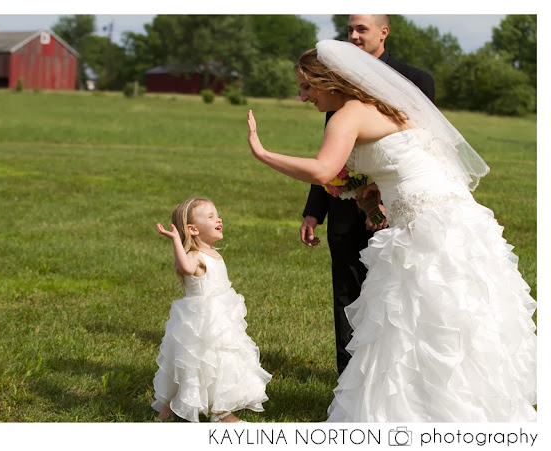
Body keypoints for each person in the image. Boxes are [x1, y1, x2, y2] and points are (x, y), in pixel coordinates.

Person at [246, 40, 536, 421]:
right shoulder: (382, 103)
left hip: (426, 222)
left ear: (330, 81)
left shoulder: (348, 115)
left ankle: (430, 413)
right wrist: (374, 193)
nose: (303, 97)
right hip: (442, 212)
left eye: (307, 87)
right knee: (440, 315)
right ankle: (439, 410)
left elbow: (322, 170)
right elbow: (402, 158)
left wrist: (261, 152)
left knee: (423, 315)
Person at [300, 15, 435, 375]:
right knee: (347, 290)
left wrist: (389, 197)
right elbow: (331, 154)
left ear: (383, 32)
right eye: (350, 30)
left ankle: (397, 372)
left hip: (398, 205)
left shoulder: (416, 80)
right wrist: (315, 209)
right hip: (345, 204)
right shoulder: (333, 80)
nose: (355, 36)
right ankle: (350, 378)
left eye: (362, 29)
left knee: (395, 292)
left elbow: (422, 145)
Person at [152, 196, 271, 423]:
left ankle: (205, 409)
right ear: (193, 229)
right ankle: (207, 411)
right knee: (196, 363)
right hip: (202, 322)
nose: (219, 219)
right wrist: (176, 240)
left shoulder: (214, 252)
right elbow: (186, 268)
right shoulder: (195, 256)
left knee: (216, 362)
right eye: (210, 216)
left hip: (222, 317)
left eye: (217, 215)